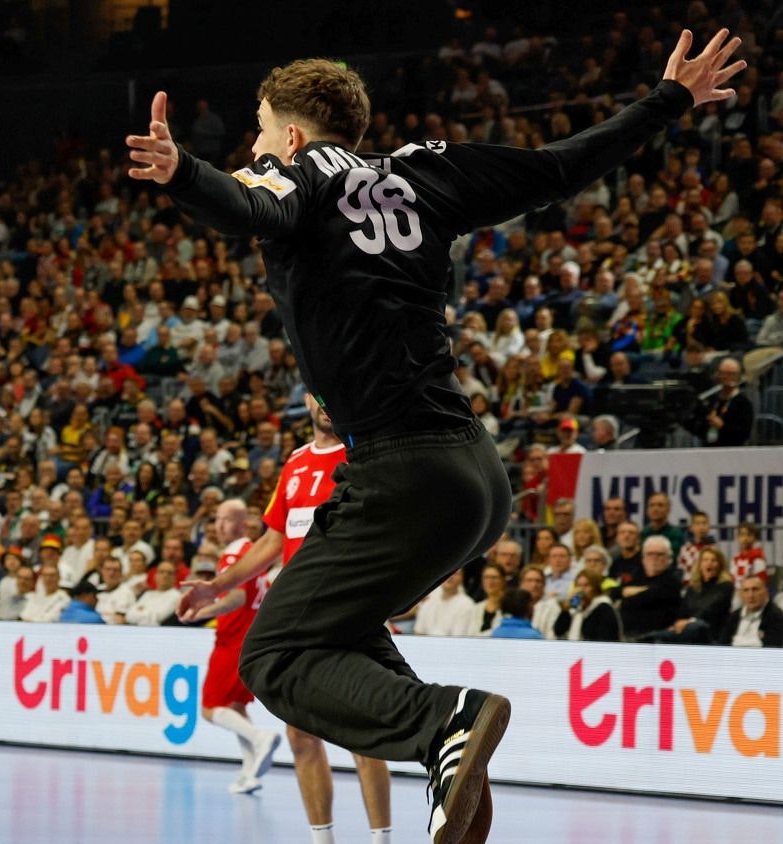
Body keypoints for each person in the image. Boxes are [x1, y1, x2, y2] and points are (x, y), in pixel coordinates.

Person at [148, 30, 740, 843]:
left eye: (259, 129)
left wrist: (185, 173)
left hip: (401, 472)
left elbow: (253, 205)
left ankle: (444, 726)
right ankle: (444, 756)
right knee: (338, 625)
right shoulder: (422, 171)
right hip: (472, 474)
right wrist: (668, 102)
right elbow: (558, 167)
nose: (255, 146)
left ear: (290, 134)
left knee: (273, 656)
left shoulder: (296, 171)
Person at [183, 397, 391, 842]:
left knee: (362, 736)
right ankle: (323, 839)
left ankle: (382, 839)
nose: (328, 401)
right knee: (299, 736)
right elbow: (270, 542)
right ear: (308, 399)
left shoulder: (364, 454)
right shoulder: (295, 463)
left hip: (347, 611)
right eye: (319, 392)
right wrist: (214, 587)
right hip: (295, 615)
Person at [181, 499, 282, 796]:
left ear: (243, 524)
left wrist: (200, 613)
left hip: (234, 636)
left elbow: (237, 598)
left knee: (211, 708)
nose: (218, 525)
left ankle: (261, 737)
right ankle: (250, 772)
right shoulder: (253, 552)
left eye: (225, 519)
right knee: (235, 707)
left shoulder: (236, 551)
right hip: (251, 636)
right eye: (216, 519)